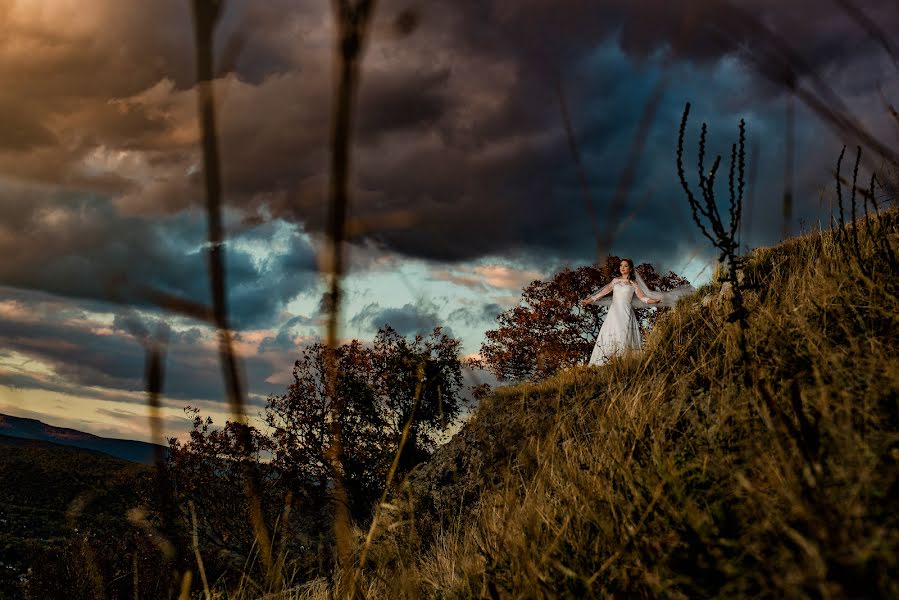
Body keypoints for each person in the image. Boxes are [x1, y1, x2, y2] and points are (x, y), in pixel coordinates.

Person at [580, 258, 692, 366]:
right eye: (621, 265)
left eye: (625, 266)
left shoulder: (633, 284)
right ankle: (603, 362)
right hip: (614, 312)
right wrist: (589, 300)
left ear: (630, 269)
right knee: (610, 334)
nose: (622, 268)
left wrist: (654, 301)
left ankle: (621, 363)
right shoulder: (615, 281)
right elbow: (603, 292)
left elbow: (643, 298)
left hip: (626, 312)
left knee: (622, 335)